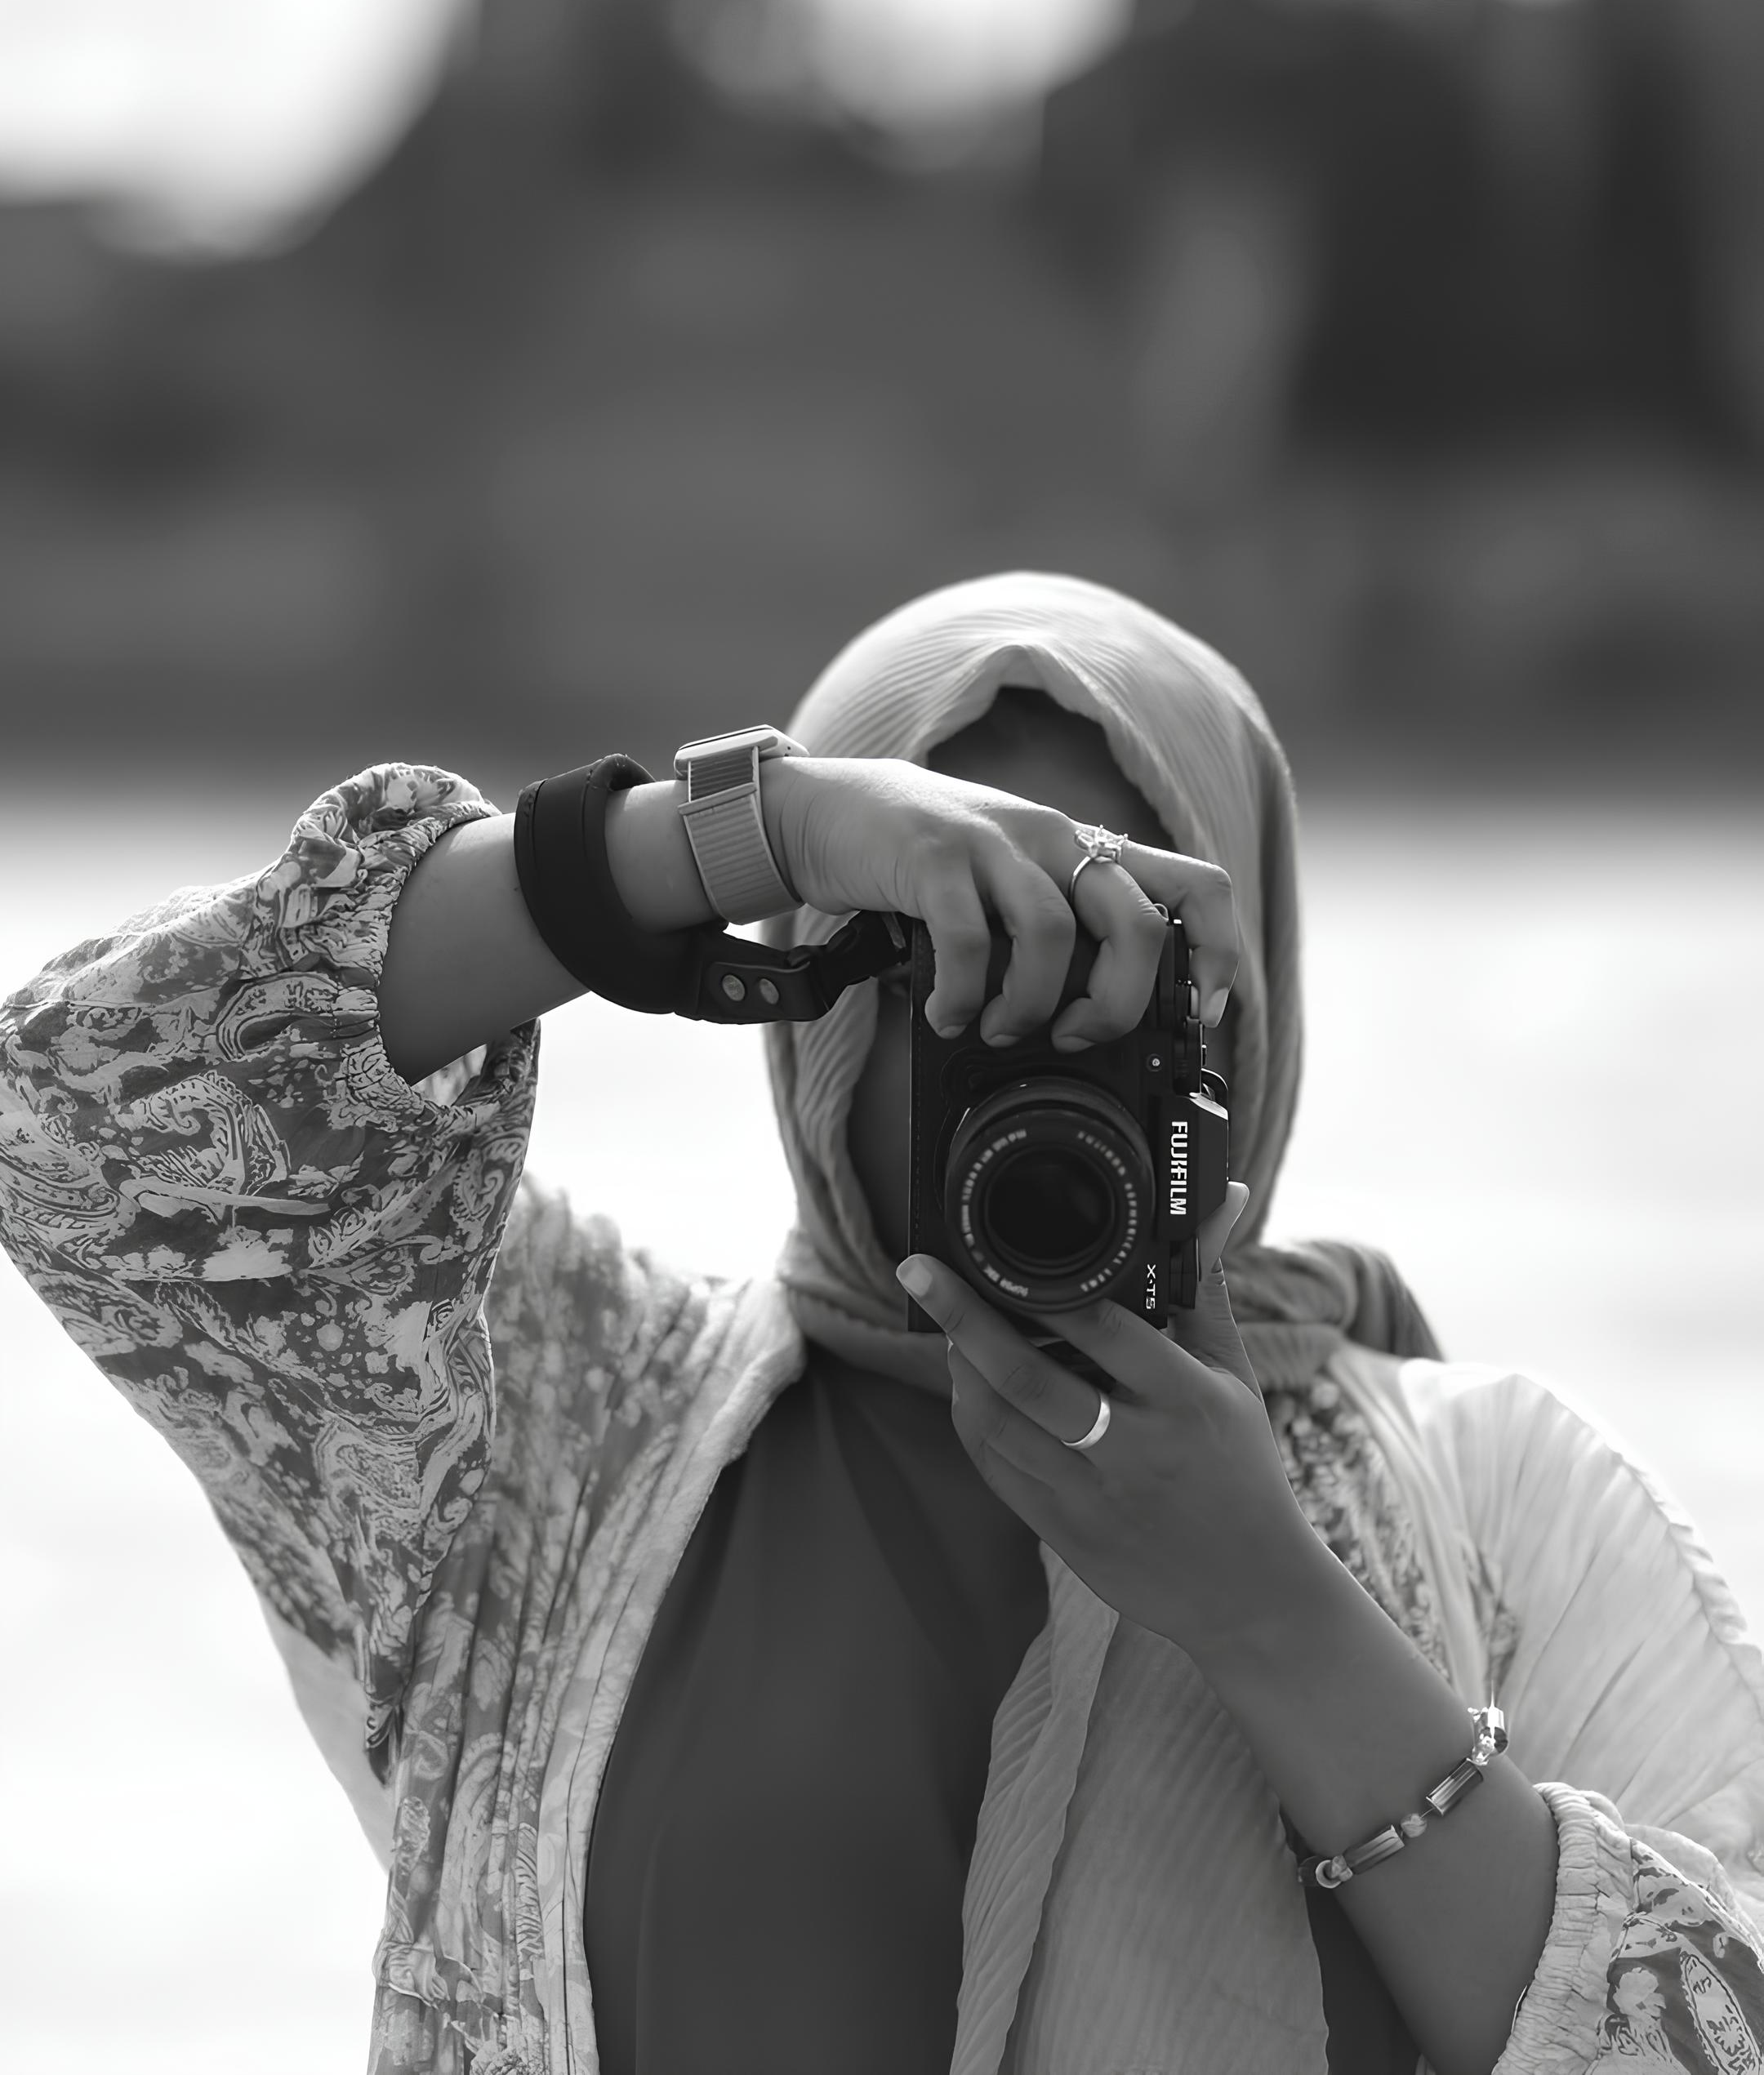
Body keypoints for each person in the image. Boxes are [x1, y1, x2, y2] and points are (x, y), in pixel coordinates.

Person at [2, 572, 1761, 2075]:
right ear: (812, 1001)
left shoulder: (1502, 1494)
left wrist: (1275, 1612)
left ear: (1248, 1022)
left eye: (1135, 979)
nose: (1042, 1043)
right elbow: (73, 1129)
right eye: (947, 959)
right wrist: (745, 829)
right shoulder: (545, 1430)